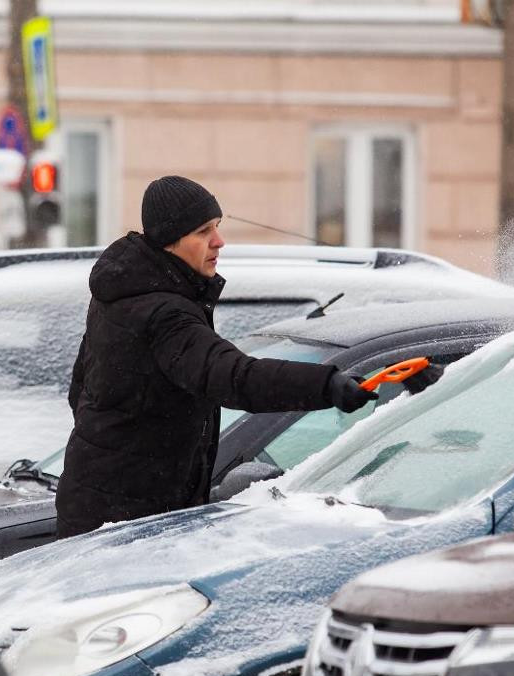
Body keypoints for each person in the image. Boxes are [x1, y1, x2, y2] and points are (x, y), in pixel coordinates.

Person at [55, 175, 377, 538]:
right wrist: (326, 385)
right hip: (128, 518)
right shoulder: (164, 313)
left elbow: (82, 389)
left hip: (98, 502)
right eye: (204, 232)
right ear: (169, 241)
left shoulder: (125, 293)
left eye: (217, 227)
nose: (219, 242)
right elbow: (235, 377)